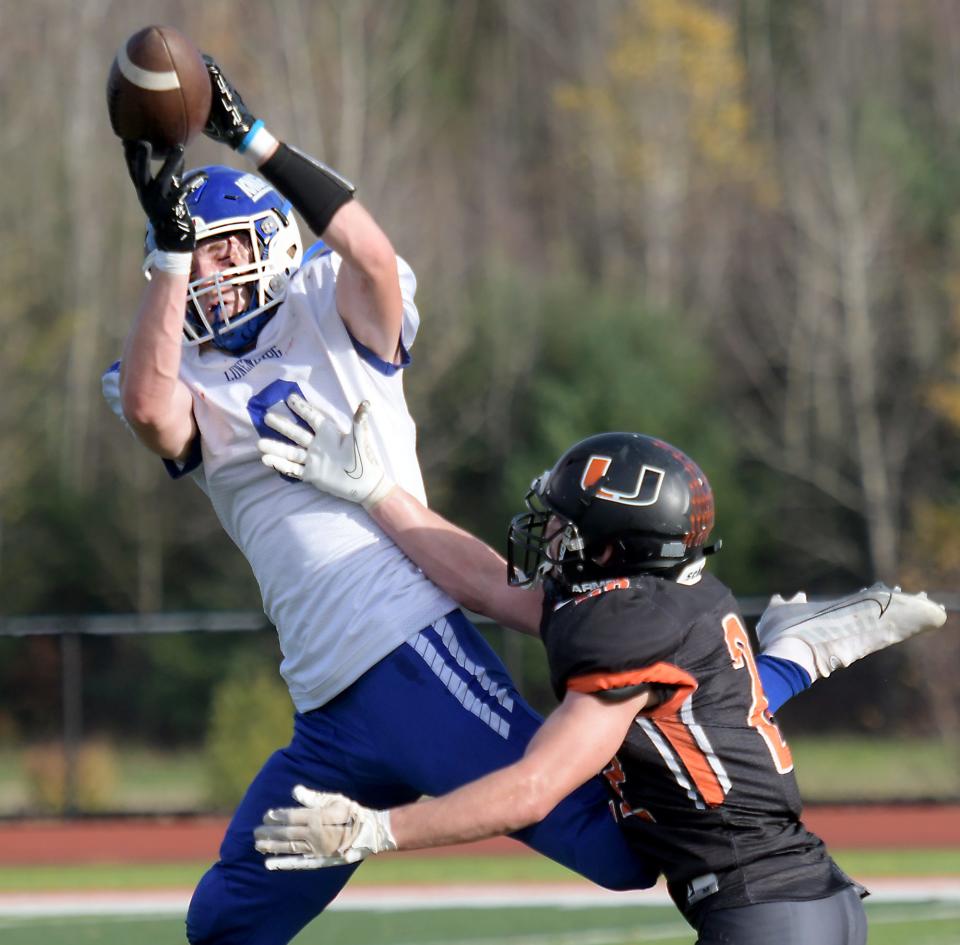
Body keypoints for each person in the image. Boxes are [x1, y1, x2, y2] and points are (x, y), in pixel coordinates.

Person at [102, 54, 944, 945]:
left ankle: (776, 664)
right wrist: (167, 238)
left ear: (274, 240)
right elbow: (156, 413)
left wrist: (253, 138)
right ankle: (777, 659)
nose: (203, 270)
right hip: (323, 693)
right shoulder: (170, 356)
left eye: (220, 246)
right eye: (196, 253)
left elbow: (375, 257)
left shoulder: (325, 301)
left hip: (409, 640)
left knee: (622, 843)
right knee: (223, 923)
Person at [253, 403, 948, 945]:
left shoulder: (625, 630)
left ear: (616, 545)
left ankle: (802, 652)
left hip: (767, 910)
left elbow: (532, 788)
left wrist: (376, 831)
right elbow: (488, 587)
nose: (550, 540)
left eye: (566, 528)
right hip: (795, 903)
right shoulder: (673, 599)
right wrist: (378, 492)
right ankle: (800, 653)